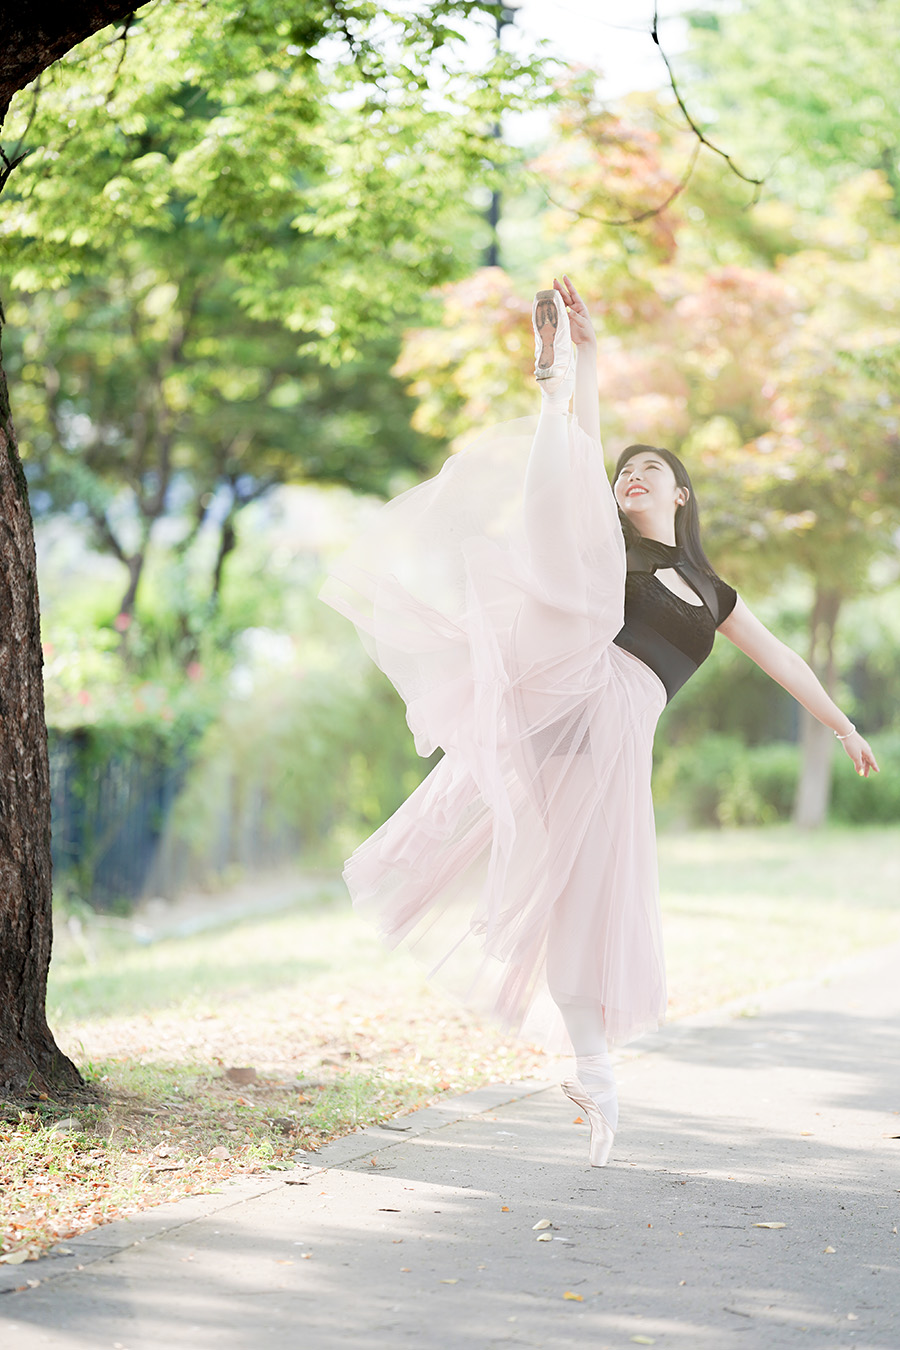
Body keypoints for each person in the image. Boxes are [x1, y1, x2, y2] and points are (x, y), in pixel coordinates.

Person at [320, 276, 878, 1167]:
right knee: (573, 514)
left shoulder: (714, 593)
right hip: (574, 675)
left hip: (615, 739)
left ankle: (595, 1075)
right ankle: (553, 396)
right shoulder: (609, 547)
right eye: (626, 470)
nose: (633, 475)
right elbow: (589, 468)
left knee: (583, 896)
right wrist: (587, 361)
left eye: (650, 470)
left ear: (681, 495)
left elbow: (784, 659)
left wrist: (843, 725)